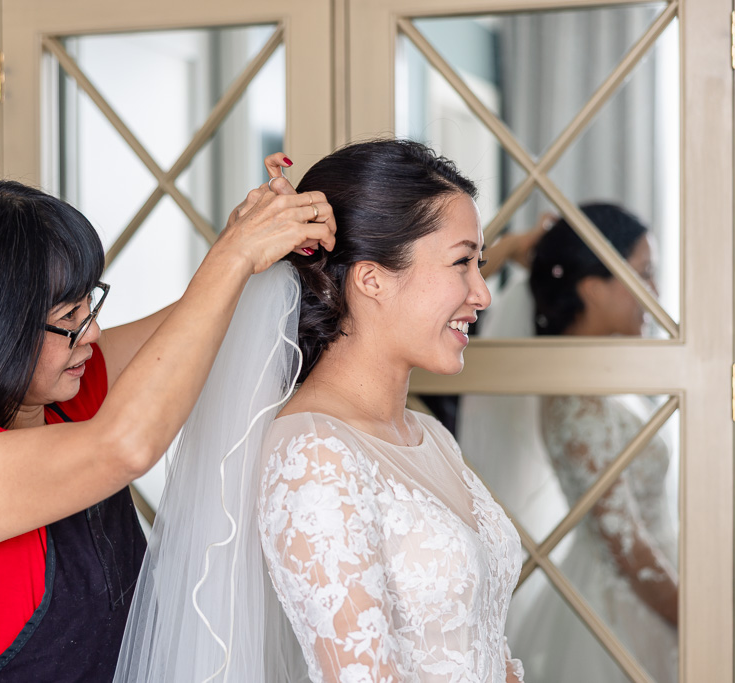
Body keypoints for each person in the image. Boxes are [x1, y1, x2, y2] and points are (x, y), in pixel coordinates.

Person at [0, 159, 336, 682]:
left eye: (87, 306)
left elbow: (191, 327)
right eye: (68, 319)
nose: (91, 334)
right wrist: (233, 257)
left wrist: (250, 242)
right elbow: (124, 446)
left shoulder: (62, 396)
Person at [113, 139, 524, 683]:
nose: (482, 294)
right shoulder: (313, 454)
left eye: (482, 264)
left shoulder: (429, 437)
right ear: (372, 277)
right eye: (462, 263)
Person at [506, 204, 678, 683]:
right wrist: (696, 615)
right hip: (623, 614)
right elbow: (626, 544)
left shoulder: (605, 380)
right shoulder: (576, 405)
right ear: (591, 287)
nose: (657, 293)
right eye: (644, 274)